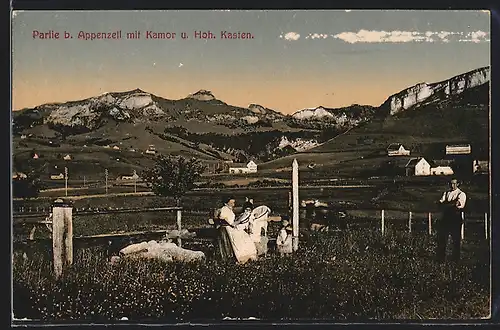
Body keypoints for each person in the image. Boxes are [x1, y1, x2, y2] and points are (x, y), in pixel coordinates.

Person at [217, 197, 258, 264]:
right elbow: (223, 218)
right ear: (226, 203)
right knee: (240, 237)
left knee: (245, 237)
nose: (233, 204)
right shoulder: (224, 209)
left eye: (233, 203)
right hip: (228, 228)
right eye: (231, 203)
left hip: (232, 227)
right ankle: (242, 257)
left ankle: (248, 256)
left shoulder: (229, 210)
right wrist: (233, 224)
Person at [436, 178, 467, 262]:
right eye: (451, 183)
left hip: (455, 219)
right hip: (446, 219)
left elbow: (457, 204)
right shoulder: (446, 193)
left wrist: (447, 204)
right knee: (442, 239)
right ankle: (441, 259)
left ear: (458, 184)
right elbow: (440, 203)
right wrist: (448, 204)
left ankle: (456, 260)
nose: (452, 185)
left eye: (454, 183)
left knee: (456, 240)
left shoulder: (461, 194)